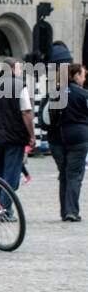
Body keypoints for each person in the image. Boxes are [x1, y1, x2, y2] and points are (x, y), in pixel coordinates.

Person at [0, 58, 33, 219]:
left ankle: (2, 207)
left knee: (0, 173)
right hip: (14, 136)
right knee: (11, 174)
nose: (20, 71)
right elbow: (26, 112)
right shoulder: (19, 86)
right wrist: (31, 135)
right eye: (18, 68)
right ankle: (5, 209)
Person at [54, 63, 88, 222]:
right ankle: (72, 211)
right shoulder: (83, 94)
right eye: (82, 75)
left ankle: (64, 210)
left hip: (58, 138)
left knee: (64, 174)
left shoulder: (57, 93)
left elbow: (51, 117)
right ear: (75, 76)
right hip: (78, 137)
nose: (84, 78)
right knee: (74, 174)